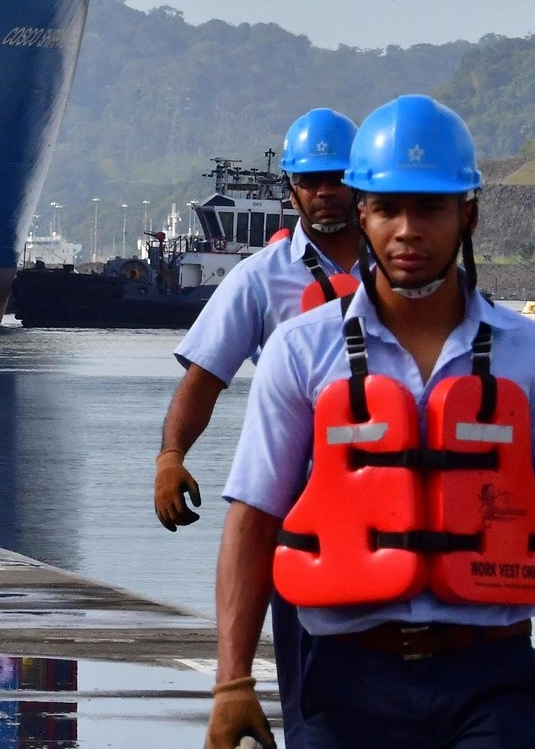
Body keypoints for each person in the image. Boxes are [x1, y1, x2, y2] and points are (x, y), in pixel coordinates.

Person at [207, 95, 535, 749]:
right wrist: (232, 683)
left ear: (467, 215)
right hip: (345, 677)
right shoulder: (301, 351)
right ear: (362, 216)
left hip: (492, 676)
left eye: (430, 207)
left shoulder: (529, 354)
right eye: (388, 208)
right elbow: (253, 518)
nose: (408, 230)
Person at [158, 108, 363, 749]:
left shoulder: (406, 266)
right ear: (291, 189)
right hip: (304, 523)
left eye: (338, 177)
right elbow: (203, 378)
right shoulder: (258, 280)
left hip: (405, 514)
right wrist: (171, 455)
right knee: (318, 708)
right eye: (311, 179)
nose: (325, 191)